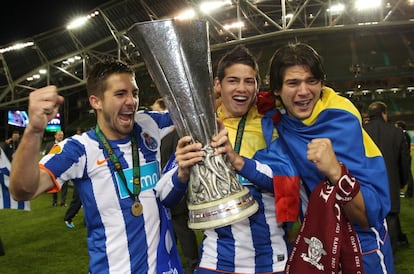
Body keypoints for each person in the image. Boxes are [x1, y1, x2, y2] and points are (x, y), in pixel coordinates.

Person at [214, 42, 394, 273]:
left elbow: (369, 216)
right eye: (293, 83)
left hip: (361, 245)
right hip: (315, 244)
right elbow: (243, 98)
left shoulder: (340, 119)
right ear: (277, 90)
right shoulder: (278, 118)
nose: (304, 91)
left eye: (312, 81)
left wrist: (337, 173)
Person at [8, 59, 199, 273]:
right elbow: (22, 190)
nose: (131, 101)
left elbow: (195, 112)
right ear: (96, 101)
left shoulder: (148, 123)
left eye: (134, 93)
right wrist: (34, 130)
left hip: (166, 268)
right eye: (120, 94)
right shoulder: (79, 149)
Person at [193, 45, 289, 273]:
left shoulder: (271, 126)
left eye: (249, 81)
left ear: (257, 87)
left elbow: (286, 182)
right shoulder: (201, 127)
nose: (242, 88)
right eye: (233, 80)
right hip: (215, 260)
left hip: (271, 259)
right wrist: (181, 172)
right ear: (218, 84)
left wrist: (237, 161)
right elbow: (166, 195)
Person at [151, 97, 199, 274]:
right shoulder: (155, 135)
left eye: (155, 108)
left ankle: (193, 263)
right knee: (172, 229)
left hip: (176, 187)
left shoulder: (176, 132)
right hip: (163, 187)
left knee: (182, 227)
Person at [364, 102, 411, 255]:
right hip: (390, 187)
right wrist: (403, 181)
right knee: (390, 224)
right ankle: (388, 258)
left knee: (366, 226)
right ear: (384, 114)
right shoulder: (397, 133)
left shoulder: (359, 131)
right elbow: (404, 161)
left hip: (365, 189)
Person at [63, 128, 84, 229]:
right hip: (80, 178)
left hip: (90, 178)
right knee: (78, 200)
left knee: (91, 201)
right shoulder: (74, 150)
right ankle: (68, 218)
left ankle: (87, 220)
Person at [44, 130, 68, 207]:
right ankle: (54, 202)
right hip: (54, 168)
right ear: (55, 136)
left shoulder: (66, 144)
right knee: (54, 185)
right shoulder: (49, 145)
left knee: (64, 186)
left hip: (64, 168)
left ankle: (63, 202)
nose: (61, 136)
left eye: (62, 135)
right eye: (59, 135)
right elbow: (46, 156)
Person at [395, 120, 413, 198]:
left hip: (405, 157)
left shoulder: (403, 134)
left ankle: (409, 192)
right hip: (405, 157)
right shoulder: (405, 134)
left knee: (407, 174)